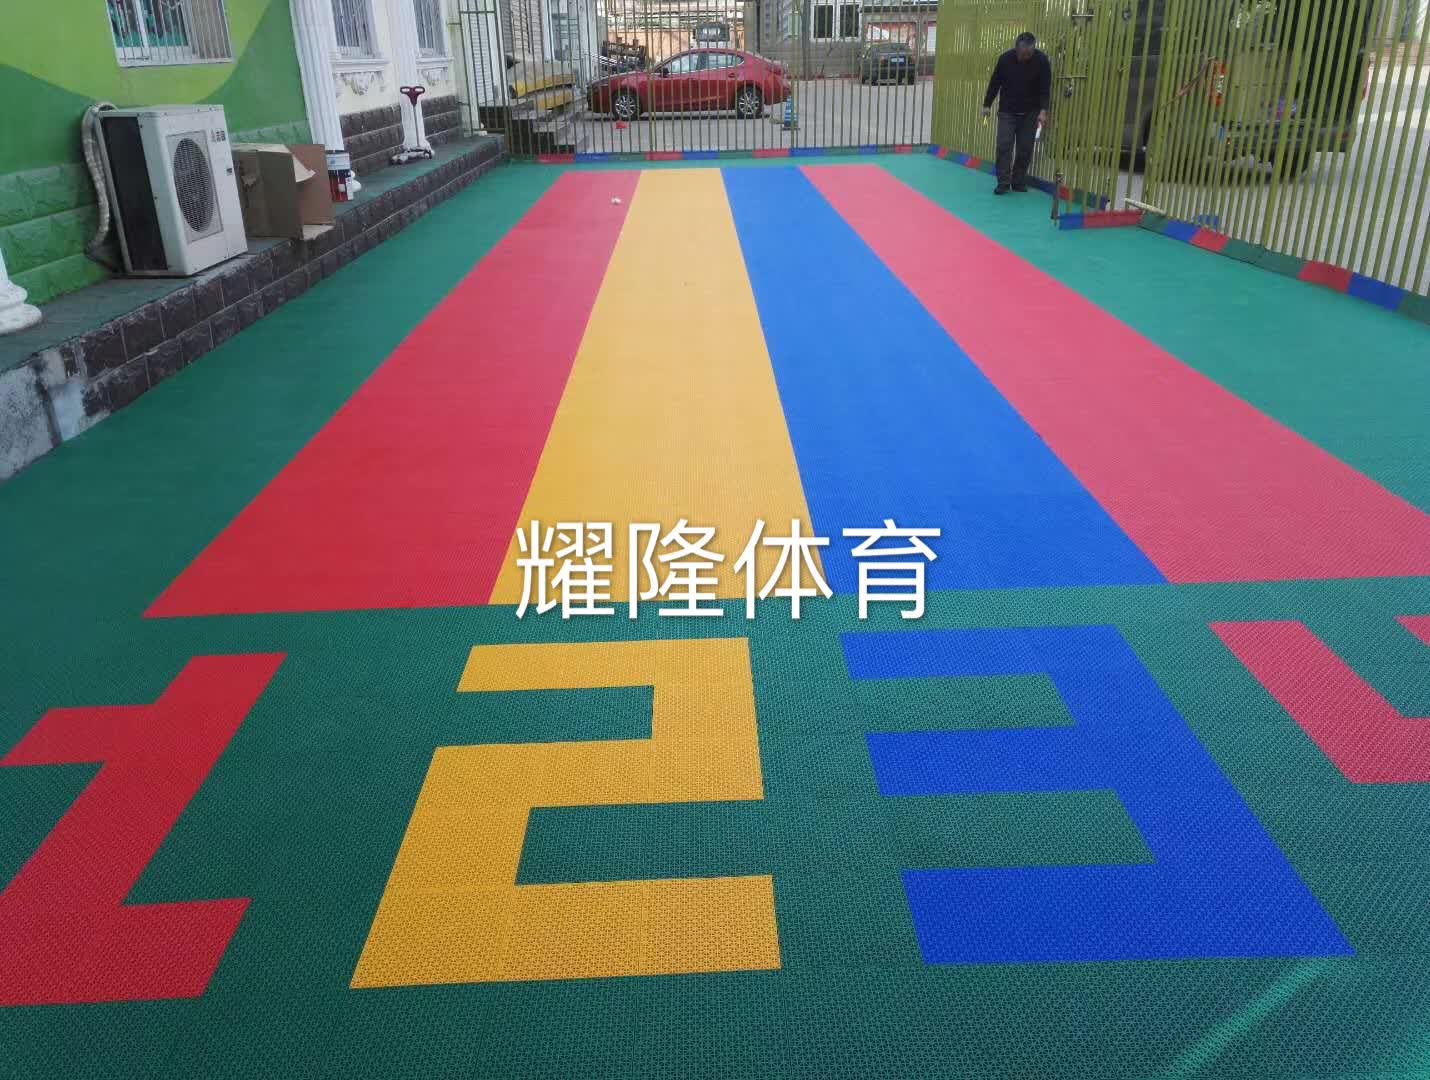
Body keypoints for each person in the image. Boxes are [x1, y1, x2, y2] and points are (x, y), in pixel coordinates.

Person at [982, 32, 1052, 195]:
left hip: (1030, 112)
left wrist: (1043, 111)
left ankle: (1018, 180)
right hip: (1007, 110)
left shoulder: (1042, 61)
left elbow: (1045, 88)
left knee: (1025, 148)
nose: (1025, 57)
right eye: (1022, 53)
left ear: (1033, 49)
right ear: (1016, 48)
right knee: (1003, 146)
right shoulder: (1005, 59)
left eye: (1029, 54)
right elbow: (995, 83)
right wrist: (987, 105)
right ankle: (1003, 182)